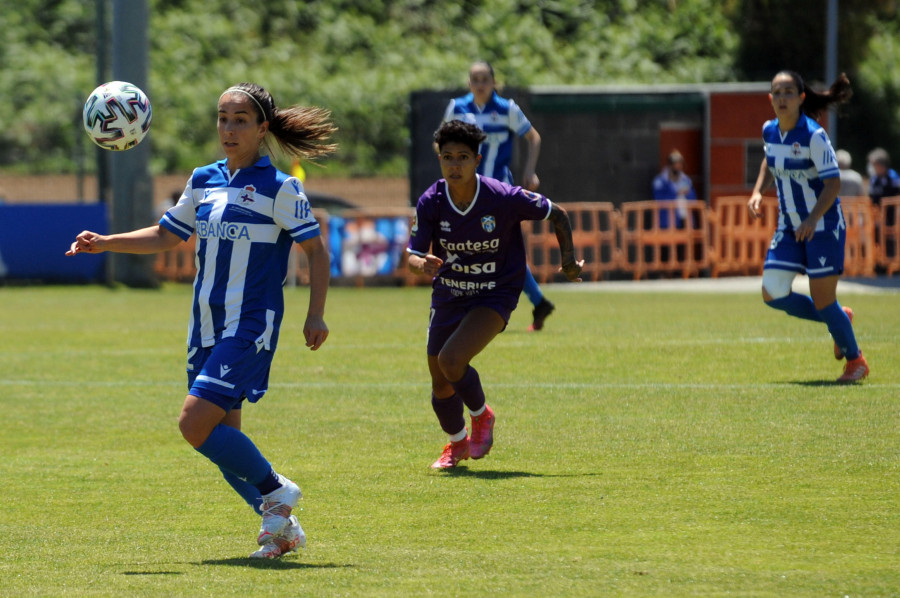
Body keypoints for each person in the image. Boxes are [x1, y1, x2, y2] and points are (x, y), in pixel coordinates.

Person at [66, 83, 337, 558]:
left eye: (240, 120)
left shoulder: (280, 187)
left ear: (261, 128)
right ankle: (281, 531)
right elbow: (167, 234)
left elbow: (315, 250)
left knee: (194, 424)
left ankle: (277, 491)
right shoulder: (204, 179)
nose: (228, 129)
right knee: (219, 438)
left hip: (250, 325)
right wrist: (105, 241)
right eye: (222, 118)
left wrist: (316, 313)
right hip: (204, 327)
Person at [407, 120, 584, 469]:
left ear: (477, 159)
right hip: (449, 292)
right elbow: (412, 254)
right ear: (439, 160)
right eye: (447, 157)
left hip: (495, 292)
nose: (454, 165)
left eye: (462, 157)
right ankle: (457, 444)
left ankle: (481, 416)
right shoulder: (432, 200)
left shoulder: (501, 197)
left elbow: (557, 214)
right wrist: (419, 264)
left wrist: (568, 262)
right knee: (440, 385)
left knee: (452, 360)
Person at [748, 70, 868, 383]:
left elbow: (833, 183)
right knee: (772, 293)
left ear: (801, 98)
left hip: (823, 224)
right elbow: (769, 160)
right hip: (788, 226)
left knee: (823, 300)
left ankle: (856, 361)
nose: (782, 98)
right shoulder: (769, 131)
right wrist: (758, 191)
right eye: (777, 92)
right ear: (770, 99)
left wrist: (813, 218)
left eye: (789, 92)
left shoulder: (814, 135)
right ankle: (840, 319)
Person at [441, 61, 555, 331]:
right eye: (475, 79)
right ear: (469, 83)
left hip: (499, 191)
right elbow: (440, 141)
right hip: (468, 192)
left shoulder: (507, 109)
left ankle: (485, 308)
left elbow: (533, 138)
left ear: (494, 82)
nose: (480, 84)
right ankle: (536, 302)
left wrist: (530, 171)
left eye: (484, 79)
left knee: (494, 249)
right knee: (493, 250)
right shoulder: (457, 108)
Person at [652, 149, 698, 229]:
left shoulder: (685, 180)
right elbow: (658, 198)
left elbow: (693, 198)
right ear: (670, 165)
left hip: (684, 221)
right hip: (667, 221)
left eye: (680, 163)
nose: (678, 166)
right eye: (675, 163)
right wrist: (675, 193)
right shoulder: (660, 181)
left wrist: (687, 193)